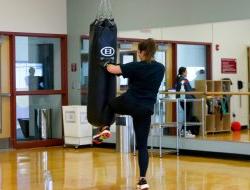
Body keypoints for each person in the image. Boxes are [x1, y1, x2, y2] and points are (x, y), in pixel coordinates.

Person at [93, 38, 165, 190]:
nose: (138, 54)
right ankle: (143, 180)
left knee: (111, 104)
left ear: (142, 52)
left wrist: (104, 62)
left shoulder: (136, 66)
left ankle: (105, 128)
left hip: (130, 102)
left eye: (138, 52)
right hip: (146, 109)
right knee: (142, 146)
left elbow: (112, 70)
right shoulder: (161, 68)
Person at [175, 67, 196, 138]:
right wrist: (194, 97)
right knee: (188, 115)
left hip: (182, 99)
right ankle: (185, 131)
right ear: (183, 72)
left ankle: (184, 130)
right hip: (187, 99)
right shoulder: (183, 80)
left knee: (187, 115)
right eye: (186, 71)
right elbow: (188, 89)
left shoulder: (179, 79)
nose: (187, 73)